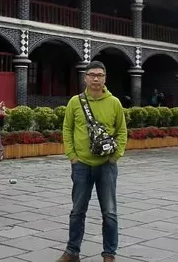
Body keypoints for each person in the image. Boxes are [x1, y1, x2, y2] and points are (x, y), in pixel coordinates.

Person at [58, 61, 127, 262]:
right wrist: (72, 156)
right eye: (92, 75)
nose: (95, 78)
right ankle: (72, 252)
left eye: (99, 75)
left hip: (106, 165)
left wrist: (116, 156)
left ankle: (109, 254)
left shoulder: (114, 102)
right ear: (85, 77)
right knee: (77, 211)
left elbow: (122, 131)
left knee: (110, 212)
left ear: (105, 78)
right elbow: (67, 129)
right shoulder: (75, 102)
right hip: (81, 165)